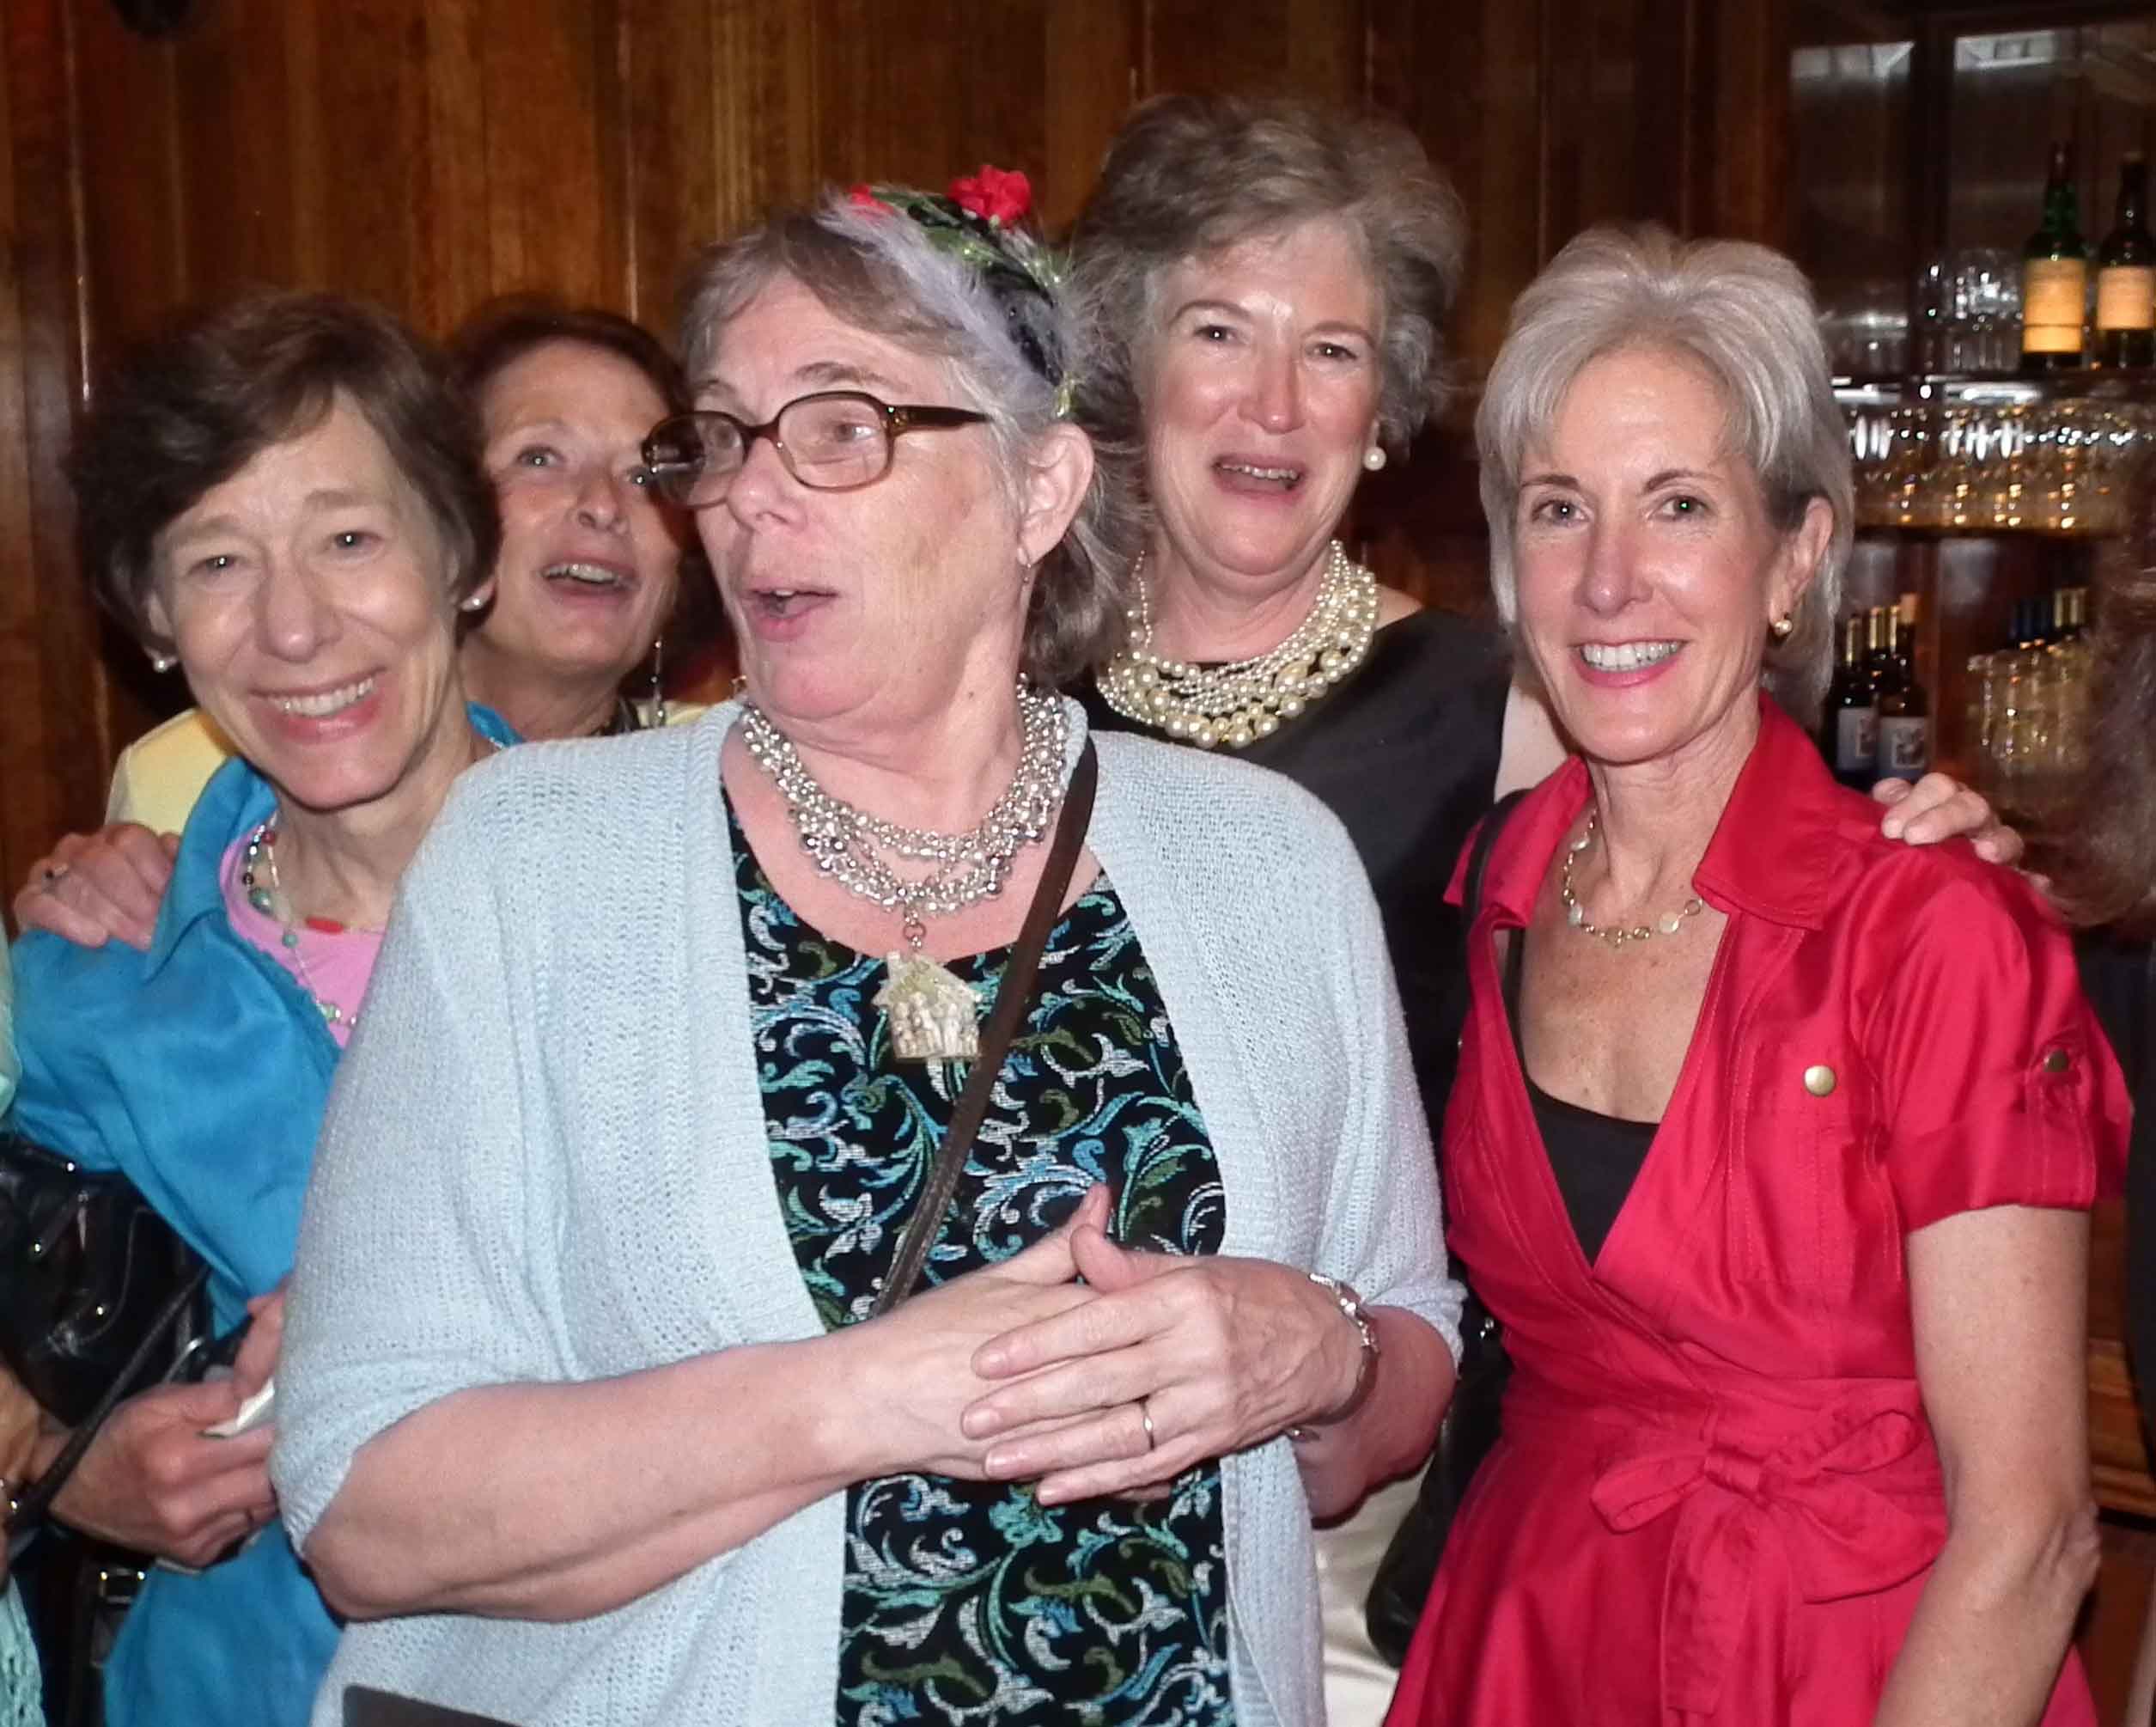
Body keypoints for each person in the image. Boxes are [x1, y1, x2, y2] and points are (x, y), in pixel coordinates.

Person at [268, 177, 1458, 1727]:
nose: (751, 499)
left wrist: (1322, 1352)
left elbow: (1402, 1357)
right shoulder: (533, 861)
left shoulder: (1269, 861)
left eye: (839, 430)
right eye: (724, 437)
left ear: (1037, 490)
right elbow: (361, 1504)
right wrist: (870, 1396)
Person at [1064, 91, 2021, 1722]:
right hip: (1035, 1464)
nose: (1273, 402)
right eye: (1219, 330)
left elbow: (1755, 861)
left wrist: (1931, 844)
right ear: (1127, 369)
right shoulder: (1001, 699)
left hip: (1377, 1501)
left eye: (1333, 350)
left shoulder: (1524, 697)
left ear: (1387, 409)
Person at [1383, 225, 2129, 1727]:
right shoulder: (1497, 887)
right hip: (1529, 1644)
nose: (1610, 580)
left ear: (1794, 555)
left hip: (1853, 1671)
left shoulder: (1932, 932)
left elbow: (2033, 1534)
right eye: (1559, 509)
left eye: (1678, 505)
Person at [3, 291, 515, 1727]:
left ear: (461, 557)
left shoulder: (672, 897)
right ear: (156, 621)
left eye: (349, 540)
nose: (294, 625)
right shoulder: (94, 992)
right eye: (218, 561)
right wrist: (66, 1465)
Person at [19, 297, 702, 949]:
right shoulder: (184, 780)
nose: (604, 506)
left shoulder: (718, 791)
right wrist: (84, 924)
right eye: (539, 457)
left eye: (646, 475)